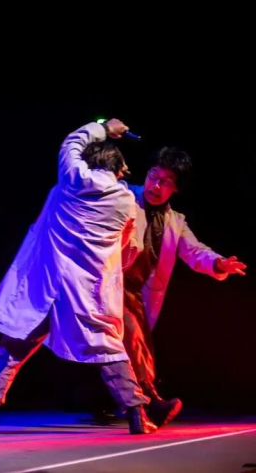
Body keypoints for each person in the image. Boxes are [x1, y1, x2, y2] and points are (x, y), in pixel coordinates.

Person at [0, 120, 160, 436]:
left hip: (45, 283)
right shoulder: (126, 202)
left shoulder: (71, 180)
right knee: (108, 349)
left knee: (13, 345)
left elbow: (71, 143)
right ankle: (138, 414)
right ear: (119, 169)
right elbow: (130, 251)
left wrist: (103, 126)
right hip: (86, 290)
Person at [94, 147, 246, 425]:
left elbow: (195, 251)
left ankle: (134, 403)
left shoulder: (175, 222)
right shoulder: (123, 196)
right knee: (131, 339)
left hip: (135, 293)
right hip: (107, 282)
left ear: (176, 188)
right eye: (154, 176)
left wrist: (219, 263)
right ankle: (149, 402)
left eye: (166, 182)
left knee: (139, 347)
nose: (156, 186)